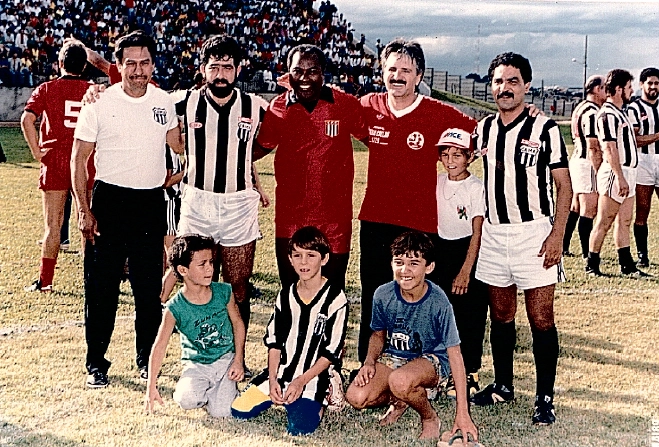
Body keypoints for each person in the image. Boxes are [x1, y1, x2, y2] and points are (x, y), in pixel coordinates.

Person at [71, 30, 184, 388]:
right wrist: (84, 209)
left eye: (145, 62)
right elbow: (78, 160)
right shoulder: (98, 103)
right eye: (131, 63)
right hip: (108, 201)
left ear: (154, 64)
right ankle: (96, 363)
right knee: (101, 288)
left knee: (148, 290)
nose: (138, 70)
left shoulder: (164, 101)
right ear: (118, 66)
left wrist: (176, 172)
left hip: (149, 203)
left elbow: (177, 144)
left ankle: (145, 360)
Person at [356, 38, 476, 364]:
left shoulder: (438, 114)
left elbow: (480, 135)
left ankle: (424, 363)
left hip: (419, 223)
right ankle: (371, 364)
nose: (397, 76)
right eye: (391, 69)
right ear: (382, 72)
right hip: (376, 219)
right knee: (375, 294)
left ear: (419, 75)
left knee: (417, 295)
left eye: (405, 70)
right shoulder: (368, 106)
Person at [470, 52, 572, 427]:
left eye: (513, 81)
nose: (505, 88)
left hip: (535, 234)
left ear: (527, 86)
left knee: (541, 317)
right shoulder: (482, 130)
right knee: (501, 315)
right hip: (495, 235)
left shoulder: (544, 128)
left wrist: (557, 235)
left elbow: (564, 186)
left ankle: (545, 397)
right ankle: (503, 385)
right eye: (498, 81)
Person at [163, 36, 269, 350]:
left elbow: (268, 141)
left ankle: (235, 355)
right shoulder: (183, 101)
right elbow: (144, 102)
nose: (220, 73)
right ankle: (198, 351)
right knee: (194, 280)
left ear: (238, 69)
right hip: (197, 200)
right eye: (214, 67)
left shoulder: (256, 106)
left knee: (238, 286)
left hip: (238, 204)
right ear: (203, 69)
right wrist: (96, 91)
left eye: (227, 67)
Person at [345, 231, 477, 441]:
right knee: (356, 397)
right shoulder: (382, 294)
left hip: (431, 361)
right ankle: (401, 400)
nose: (405, 270)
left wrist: (463, 413)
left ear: (429, 267)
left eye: (414, 263)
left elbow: (455, 355)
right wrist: (369, 362)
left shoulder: (438, 301)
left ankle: (429, 417)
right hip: (396, 357)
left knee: (400, 380)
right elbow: (378, 334)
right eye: (399, 262)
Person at [256, 44, 367, 292]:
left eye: (312, 71)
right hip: (290, 217)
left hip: (334, 220)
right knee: (291, 291)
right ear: (289, 73)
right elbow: (259, 148)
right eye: (298, 71)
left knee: (333, 291)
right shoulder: (277, 107)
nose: (304, 78)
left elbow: (375, 142)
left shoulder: (345, 105)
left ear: (323, 73)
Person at [231, 226, 348, 436]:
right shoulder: (285, 295)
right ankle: (280, 394)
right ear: (290, 259)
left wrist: (301, 381)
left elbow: (331, 352)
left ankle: (326, 391)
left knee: (300, 427)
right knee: (239, 410)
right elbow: (274, 342)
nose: (303, 262)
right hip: (284, 371)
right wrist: (274, 378)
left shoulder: (335, 299)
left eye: (311, 256)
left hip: (313, 375)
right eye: (297, 256)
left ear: (324, 258)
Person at [144, 234, 245, 417]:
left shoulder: (223, 292)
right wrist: (151, 387)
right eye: (202, 264)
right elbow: (159, 346)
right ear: (183, 270)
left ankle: (225, 391)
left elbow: (238, 324)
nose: (210, 269)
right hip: (197, 365)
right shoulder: (175, 307)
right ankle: (214, 391)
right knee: (186, 400)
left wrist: (238, 360)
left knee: (222, 412)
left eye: (211, 262)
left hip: (225, 360)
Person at [21, 40, 94, 292]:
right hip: (85, 160)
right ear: (84, 66)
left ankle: (45, 281)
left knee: (53, 225)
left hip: (55, 160)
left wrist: (37, 152)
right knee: (87, 221)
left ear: (60, 63)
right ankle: (91, 279)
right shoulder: (92, 89)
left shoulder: (47, 88)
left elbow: (27, 119)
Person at [434, 128, 488, 399]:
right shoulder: (438, 181)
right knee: (444, 311)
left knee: (469, 314)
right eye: (445, 154)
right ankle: (443, 369)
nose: (451, 160)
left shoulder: (476, 187)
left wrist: (466, 270)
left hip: (467, 250)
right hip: (442, 250)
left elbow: (477, 231)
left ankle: (470, 372)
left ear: (469, 157)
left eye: (457, 155)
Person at [587, 69, 646, 277]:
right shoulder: (607, 114)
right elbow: (609, 148)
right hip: (615, 173)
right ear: (619, 89)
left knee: (625, 221)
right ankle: (592, 263)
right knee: (605, 220)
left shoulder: (622, 112)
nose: (632, 91)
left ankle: (627, 265)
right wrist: (619, 176)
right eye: (629, 87)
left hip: (629, 172)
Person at [563, 75, 606, 260]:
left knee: (575, 206)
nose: (608, 91)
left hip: (577, 159)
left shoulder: (581, 107)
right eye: (605, 88)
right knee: (589, 208)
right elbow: (592, 145)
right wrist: (599, 170)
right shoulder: (592, 112)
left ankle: (564, 245)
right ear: (596, 89)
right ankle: (587, 252)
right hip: (586, 162)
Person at [628, 67, 659, 268]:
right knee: (643, 209)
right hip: (643, 161)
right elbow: (634, 140)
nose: (654, 87)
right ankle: (642, 255)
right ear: (642, 85)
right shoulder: (634, 108)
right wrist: (657, 136)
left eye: (657, 83)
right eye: (650, 83)